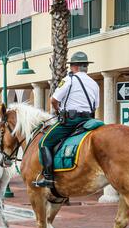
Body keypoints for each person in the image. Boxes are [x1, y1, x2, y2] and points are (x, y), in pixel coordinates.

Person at [35, 51, 100, 188]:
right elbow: (96, 106)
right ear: (85, 67)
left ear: (75, 67)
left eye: (71, 66)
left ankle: (48, 177)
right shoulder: (94, 83)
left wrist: (58, 110)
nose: (71, 69)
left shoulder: (68, 80)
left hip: (71, 121)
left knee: (44, 142)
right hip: (88, 120)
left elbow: (53, 100)